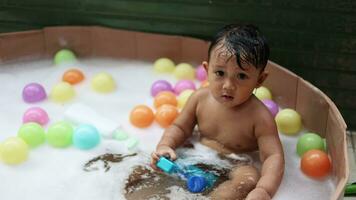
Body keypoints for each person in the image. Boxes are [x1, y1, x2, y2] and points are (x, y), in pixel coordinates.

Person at [151, 24, 284, 200]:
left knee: (248, 179)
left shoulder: (259, 117)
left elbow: (272, 157)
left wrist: (264, 190)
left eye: (242, 76)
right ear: (207, 70)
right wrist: (166, 146)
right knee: (150, 169)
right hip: (195, 154)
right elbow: (180, 127)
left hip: (236, 164)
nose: (228, 85)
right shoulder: (200, 99)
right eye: (220, 73)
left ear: (259, 79)